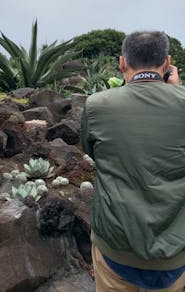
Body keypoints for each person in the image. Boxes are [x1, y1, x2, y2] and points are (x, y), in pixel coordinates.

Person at [81, 31, 185, 291]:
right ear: (167, 62)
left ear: (122, 63)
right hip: (176, 251)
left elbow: (92, 151)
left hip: (115, 246)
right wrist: (177, 92)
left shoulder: (97, 105)